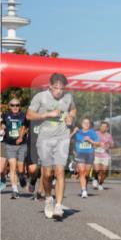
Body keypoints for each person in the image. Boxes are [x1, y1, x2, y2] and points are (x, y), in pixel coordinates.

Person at [26, 73, 76, 219]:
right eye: (56, 88)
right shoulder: (40, 97)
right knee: (47, 174)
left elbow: (73, 109)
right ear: (50, 86)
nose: (59, 91)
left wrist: (71, 118)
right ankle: (48, 198)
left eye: (61, 88)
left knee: (60, 172)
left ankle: (59, 206)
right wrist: (46, 115)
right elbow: (29, 115)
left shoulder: (68, 97)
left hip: (62, 138)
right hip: (45, 139)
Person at [2, 94, 28, 199]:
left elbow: (26, 127)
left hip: (22, 145)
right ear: (9, 106)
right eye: (13, 105)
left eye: (17, 105)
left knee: (20, 169)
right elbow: (2, 125)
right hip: (9, 144)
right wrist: (2, 127)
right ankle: (15, 190)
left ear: (20, 106)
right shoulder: (5, 115)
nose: (15, 107)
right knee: (12, 167)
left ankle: (21, 176)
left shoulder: (24, 116)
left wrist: (21, 136)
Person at [72, 118, 99, 198]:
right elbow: (67, 138)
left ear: (90, 124)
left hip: (89, 154)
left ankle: (84, 187)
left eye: (88, 123)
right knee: (82, 172)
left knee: (86, 174)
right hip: (80, 154)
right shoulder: (77, 132)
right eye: (84, 123)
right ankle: (83, 190)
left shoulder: (92, 132)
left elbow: (97, 143)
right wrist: (73, 132)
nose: (86, 124)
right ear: (81, 124)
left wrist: (90, 140)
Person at [92, 120, 114, 190]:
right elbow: (91, 142)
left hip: (105, 155)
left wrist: (110, 144)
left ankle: (100, 184)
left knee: (104, 171)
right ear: (100, 127)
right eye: (102, 126)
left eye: (105, 127)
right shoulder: (95, 133)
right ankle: (95, 179)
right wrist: (96, 144)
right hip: (96, 154)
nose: (103, 128)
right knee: (97, 170)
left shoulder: (109, 135)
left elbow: (112, 145)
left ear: (107, 128)